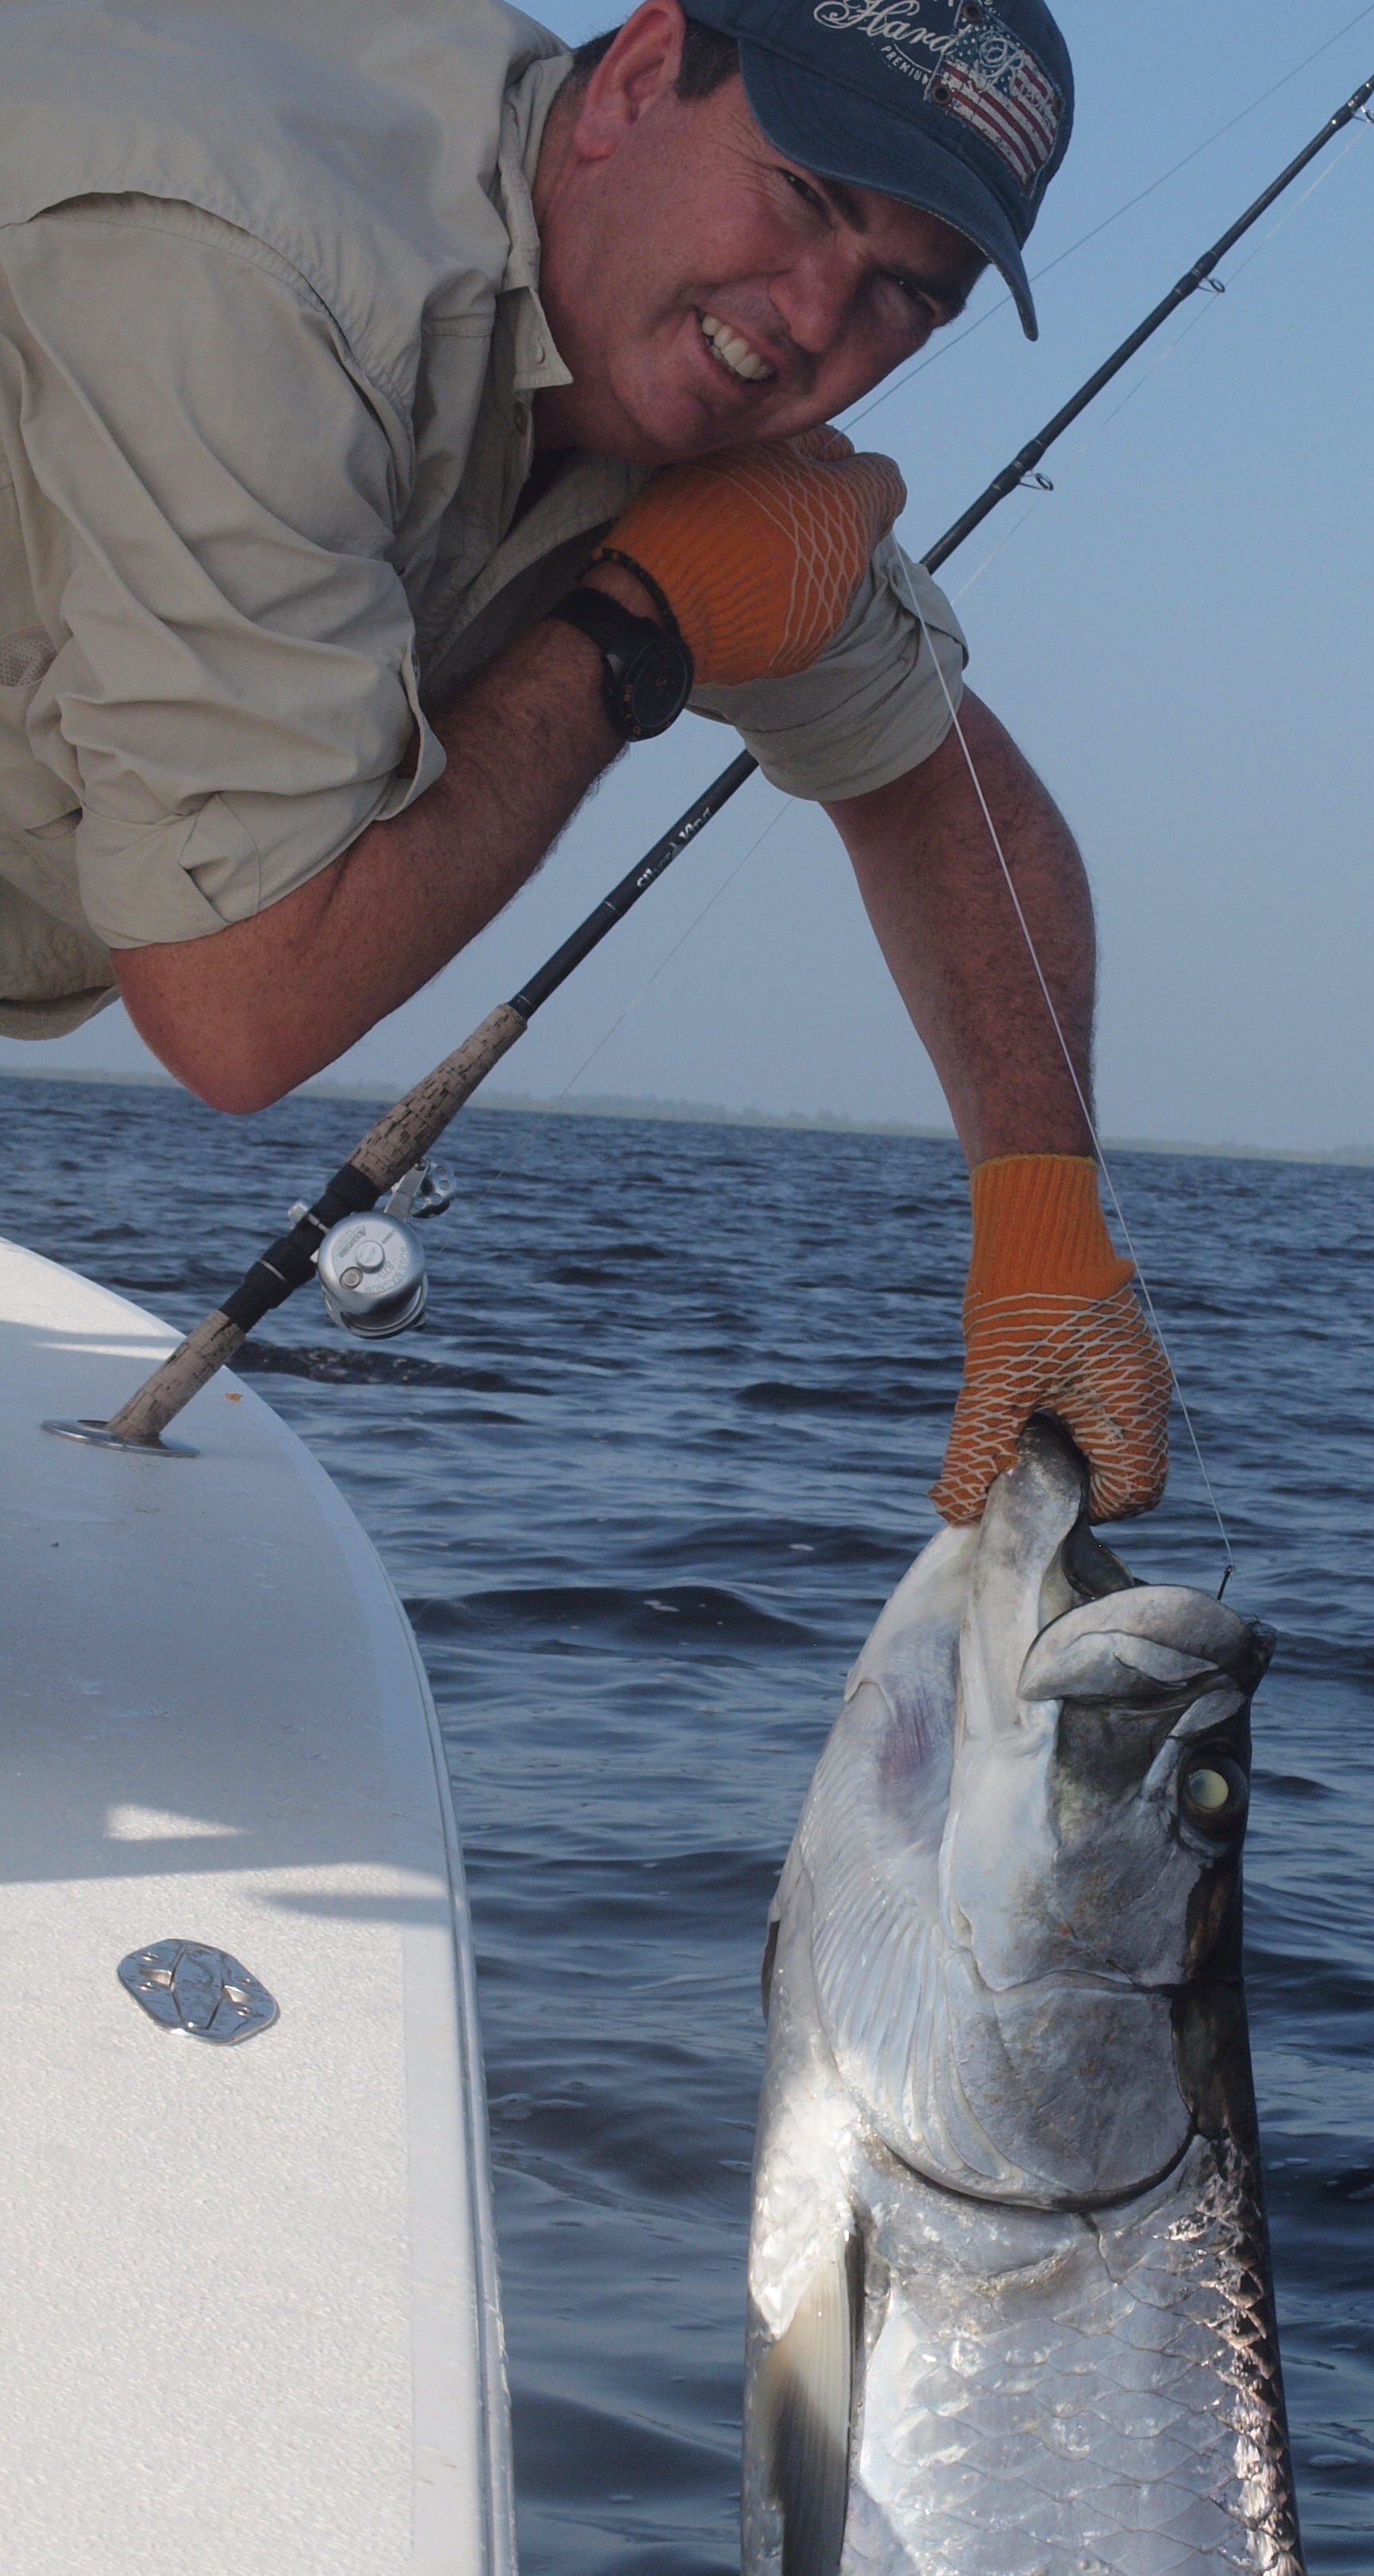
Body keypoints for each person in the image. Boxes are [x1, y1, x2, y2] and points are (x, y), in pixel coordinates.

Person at [0, 0, 1168, 1520]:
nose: (817, 317)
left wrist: (1046, 1225)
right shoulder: (249, 265)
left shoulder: (673, 384)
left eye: (905, 294)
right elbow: (240, 1004)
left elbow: (945, 793)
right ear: (631, 81)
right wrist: (631, 634)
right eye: (806, 195)